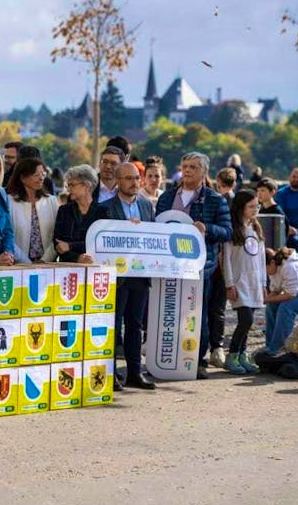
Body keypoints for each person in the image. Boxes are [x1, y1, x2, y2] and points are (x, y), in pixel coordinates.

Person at [156, 152, 232, 379]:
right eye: (185, 166)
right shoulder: (166, 198)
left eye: (193, 167)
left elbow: (227, 232)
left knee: (198, 315)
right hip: (168, 266)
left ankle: (198, 360)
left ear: (203, 172)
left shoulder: (215, 199)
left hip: (201, 268)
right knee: (169, 313)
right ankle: (169, 358)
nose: (187, 170)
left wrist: (206, 228)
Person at [101, 163, 157, 390]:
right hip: (117, 276)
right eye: (128, 179)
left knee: (135, 325)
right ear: (117, 181)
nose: (134, 183)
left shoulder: (146, 206)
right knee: (113, 325)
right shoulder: (105, 208)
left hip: (140, 274)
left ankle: (135, 372)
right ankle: (110, 373)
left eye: (136, 178)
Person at [221, 190, 264, 375]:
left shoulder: (256, 228)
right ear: (241, 208)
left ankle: (243, 355)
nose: (255, 210)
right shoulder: (232, 230)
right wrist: (229, 284)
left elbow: (261, 258)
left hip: (255, 283)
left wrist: (263, 282)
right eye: (251, 206)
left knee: (249, 321)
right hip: (239, 283)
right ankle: (232, 355)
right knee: (245, 320)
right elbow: (227, 260)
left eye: (257, 206)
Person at [207, 166, 239, 368]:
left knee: (217, 306)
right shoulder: (216, 202)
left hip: (222, 262)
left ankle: (216, 346)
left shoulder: (230, 203)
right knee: (211, 307)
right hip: (211, 260)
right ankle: (210, 347)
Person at [7, 157, 59, 263]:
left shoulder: (51, 201)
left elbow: (58, 235)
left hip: (48, 264)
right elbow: (7, 237)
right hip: (18, 265)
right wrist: (26, 262)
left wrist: (45, 260)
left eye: (43, 174)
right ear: (22, 177)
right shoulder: (9, 202)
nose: (41, 178)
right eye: (36, 175)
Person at [55, 164, 105, 264]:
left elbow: (101, 243)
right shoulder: (64, 211)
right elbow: (58, 244)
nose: (68, 190)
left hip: (95, 268)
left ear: (87, 186)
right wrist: (77, 258)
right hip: (67, 269)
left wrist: (70, 246)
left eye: (72, 185)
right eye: (67, 185)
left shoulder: (103, 212)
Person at [264, 247, 298, 354]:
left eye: (264, 268)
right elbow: (276, 290)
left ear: (272, 262)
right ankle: (270, 346)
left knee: (286, 307)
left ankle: (279, 348)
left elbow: (291, 294)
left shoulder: (290, 266)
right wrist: (267, 299)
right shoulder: (273, 270)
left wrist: (269, 299)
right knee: (271, 307)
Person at [276, 168, 298, 247]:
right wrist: (287, 227)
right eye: (294, 177)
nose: (296, 179)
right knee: (294, 241)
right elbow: (280, 214)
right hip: (291, 230)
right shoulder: (281, 193)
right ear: (289, 178)